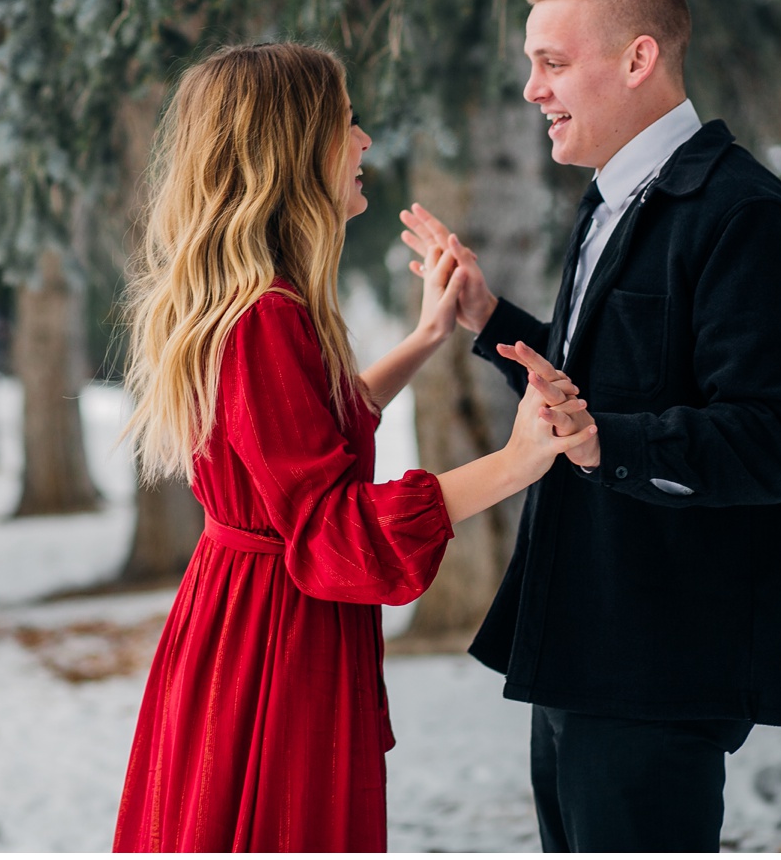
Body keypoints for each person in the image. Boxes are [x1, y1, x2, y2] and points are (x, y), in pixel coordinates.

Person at [401, 0, 781, 852]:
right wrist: (489, 317)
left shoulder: (743, 215)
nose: (532, 90)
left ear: (639, 59)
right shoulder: (609, 202)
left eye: (552, 63)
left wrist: (605, 441)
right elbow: (602, 389)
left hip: (661, 659)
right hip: (581, 642)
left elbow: (777, 438)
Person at [111, 42, 597, 853]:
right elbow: (332, 530)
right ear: (292, 152)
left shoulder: (263, 302)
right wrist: (517, 460)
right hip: (273, 640)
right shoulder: (263, 315)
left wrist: (428, 334)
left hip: (249, 617)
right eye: (347, 123)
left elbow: (307, 430)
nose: (366, 142)